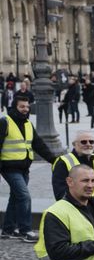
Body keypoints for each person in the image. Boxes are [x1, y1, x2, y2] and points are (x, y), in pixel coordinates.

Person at [0, 97, 56, 241]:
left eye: (27, 106)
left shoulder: (28, 124)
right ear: (14, 107)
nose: (25, 109)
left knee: (15, 198)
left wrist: (54, 160)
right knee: (24, 196)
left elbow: (39, 145)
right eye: (22, 107)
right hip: (9, 168)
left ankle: (7, 230)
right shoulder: (4, 122)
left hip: (24, 168)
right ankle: (26, 231)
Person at [53, 131, 94, 210]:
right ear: (74, 144)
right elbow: (60, 192)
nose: (88, 144)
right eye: (83, 142)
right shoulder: (63, 162)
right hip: (78, 209)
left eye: (91, 142)